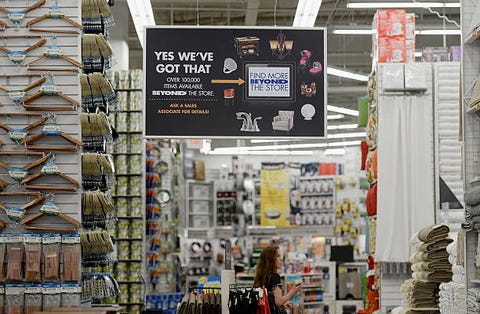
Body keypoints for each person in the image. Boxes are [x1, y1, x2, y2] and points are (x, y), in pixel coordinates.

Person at [253, 245, 302, 314]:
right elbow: (279, 302)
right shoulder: (274, 277)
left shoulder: (260, 277)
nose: (281, 259)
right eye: (278, 256)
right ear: (270, 259)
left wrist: (283, 304)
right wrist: (293, 291)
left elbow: (268, 299)